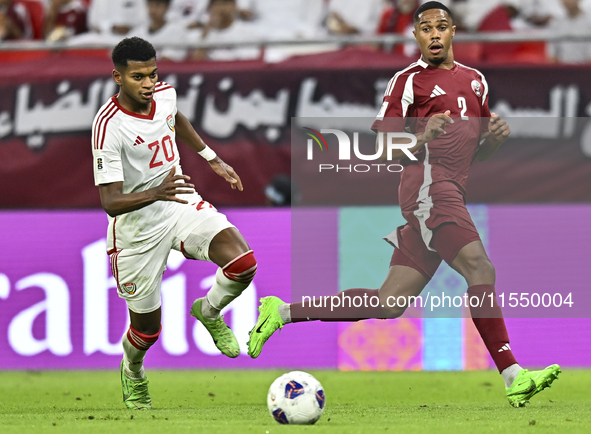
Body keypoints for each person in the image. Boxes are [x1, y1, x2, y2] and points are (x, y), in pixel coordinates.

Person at [247, 1, 561, 408]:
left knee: (388, 302)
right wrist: (422, 138)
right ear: (415, 36)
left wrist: (495, 139)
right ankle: (513, 375)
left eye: (441, 27)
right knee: (480, 267)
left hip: (448, 192)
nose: (434, 34)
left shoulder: (476, 81)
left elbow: (476, 154)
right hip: (428, 189)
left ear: (453, 33)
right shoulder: (406, 82)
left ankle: (282, 311)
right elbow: (383, 149)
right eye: (425, 27)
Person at [92, 37, 257, 410]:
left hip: (178, 202)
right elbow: (110, 202)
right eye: (138, 77)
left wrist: (211, 157)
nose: (149, 84)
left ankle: (209, 311)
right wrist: (155, 192)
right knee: (147, 331)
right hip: (136, 231)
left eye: (153, 74)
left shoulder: (164, 95)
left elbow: (175, 118)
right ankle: (133, 372)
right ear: (118, 77)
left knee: (242, 263)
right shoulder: (108, 126)